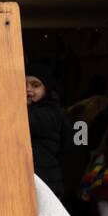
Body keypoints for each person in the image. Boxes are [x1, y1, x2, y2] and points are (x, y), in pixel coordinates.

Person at [25, 64, 66, 203]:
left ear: (45, 89)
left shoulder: (51, 112)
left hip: (45, 183)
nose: (28, 89)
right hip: (32, 180)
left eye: (35, 85)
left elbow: (27, 122)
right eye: (23, 84)